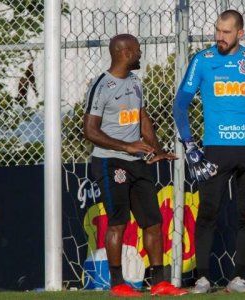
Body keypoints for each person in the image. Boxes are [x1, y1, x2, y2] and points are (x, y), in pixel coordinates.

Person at [173, 10, 245, 293]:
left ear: (240, 33)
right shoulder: (202, 61)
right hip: (215, 150)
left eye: (226, 32)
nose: (219, 37)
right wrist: (190, 144)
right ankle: (203, 278)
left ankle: (238, 278)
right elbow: (180, 104)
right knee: (208, 212)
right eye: (217, 31)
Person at [84, 33, 188, 297]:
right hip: (110, 162)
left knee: (153, 222)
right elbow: (90, 130)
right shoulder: (101, 85)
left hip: (138, 163)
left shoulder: (135, 82)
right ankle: (118, 283)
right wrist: (126, 146)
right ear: (126, 52)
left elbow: (142, 119)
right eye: (138, 50)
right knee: (117, 222)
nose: (141, 54)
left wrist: (156, 148)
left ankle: (159, 283)